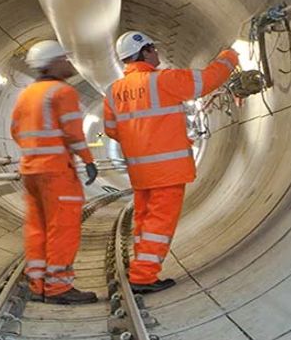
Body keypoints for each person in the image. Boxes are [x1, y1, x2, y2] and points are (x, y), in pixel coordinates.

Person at [100, 30, 238, 293]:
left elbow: (111, 129)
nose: (157, 53)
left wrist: (139, 138)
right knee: (159, 224)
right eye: (153, 49)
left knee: (144, 220)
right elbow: (207, 81)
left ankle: (141, 266)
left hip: (140, 172)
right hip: (167, 170)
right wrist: (230, 56)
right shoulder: (163, 80)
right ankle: (143, 276)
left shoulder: (113, 92)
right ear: (144, 52)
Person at [10, 40, 100, 304]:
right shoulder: (62, 92)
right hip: (57, 172)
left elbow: (15, 130)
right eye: (65, 59)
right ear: (53, 63)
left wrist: (35, 150)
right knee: (63, 227)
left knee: (37, 226)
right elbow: (73, 132)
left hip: (30, 170)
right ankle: (59, 286)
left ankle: (38, 284)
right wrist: (88, 160)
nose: (69, 63)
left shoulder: (26, 94)